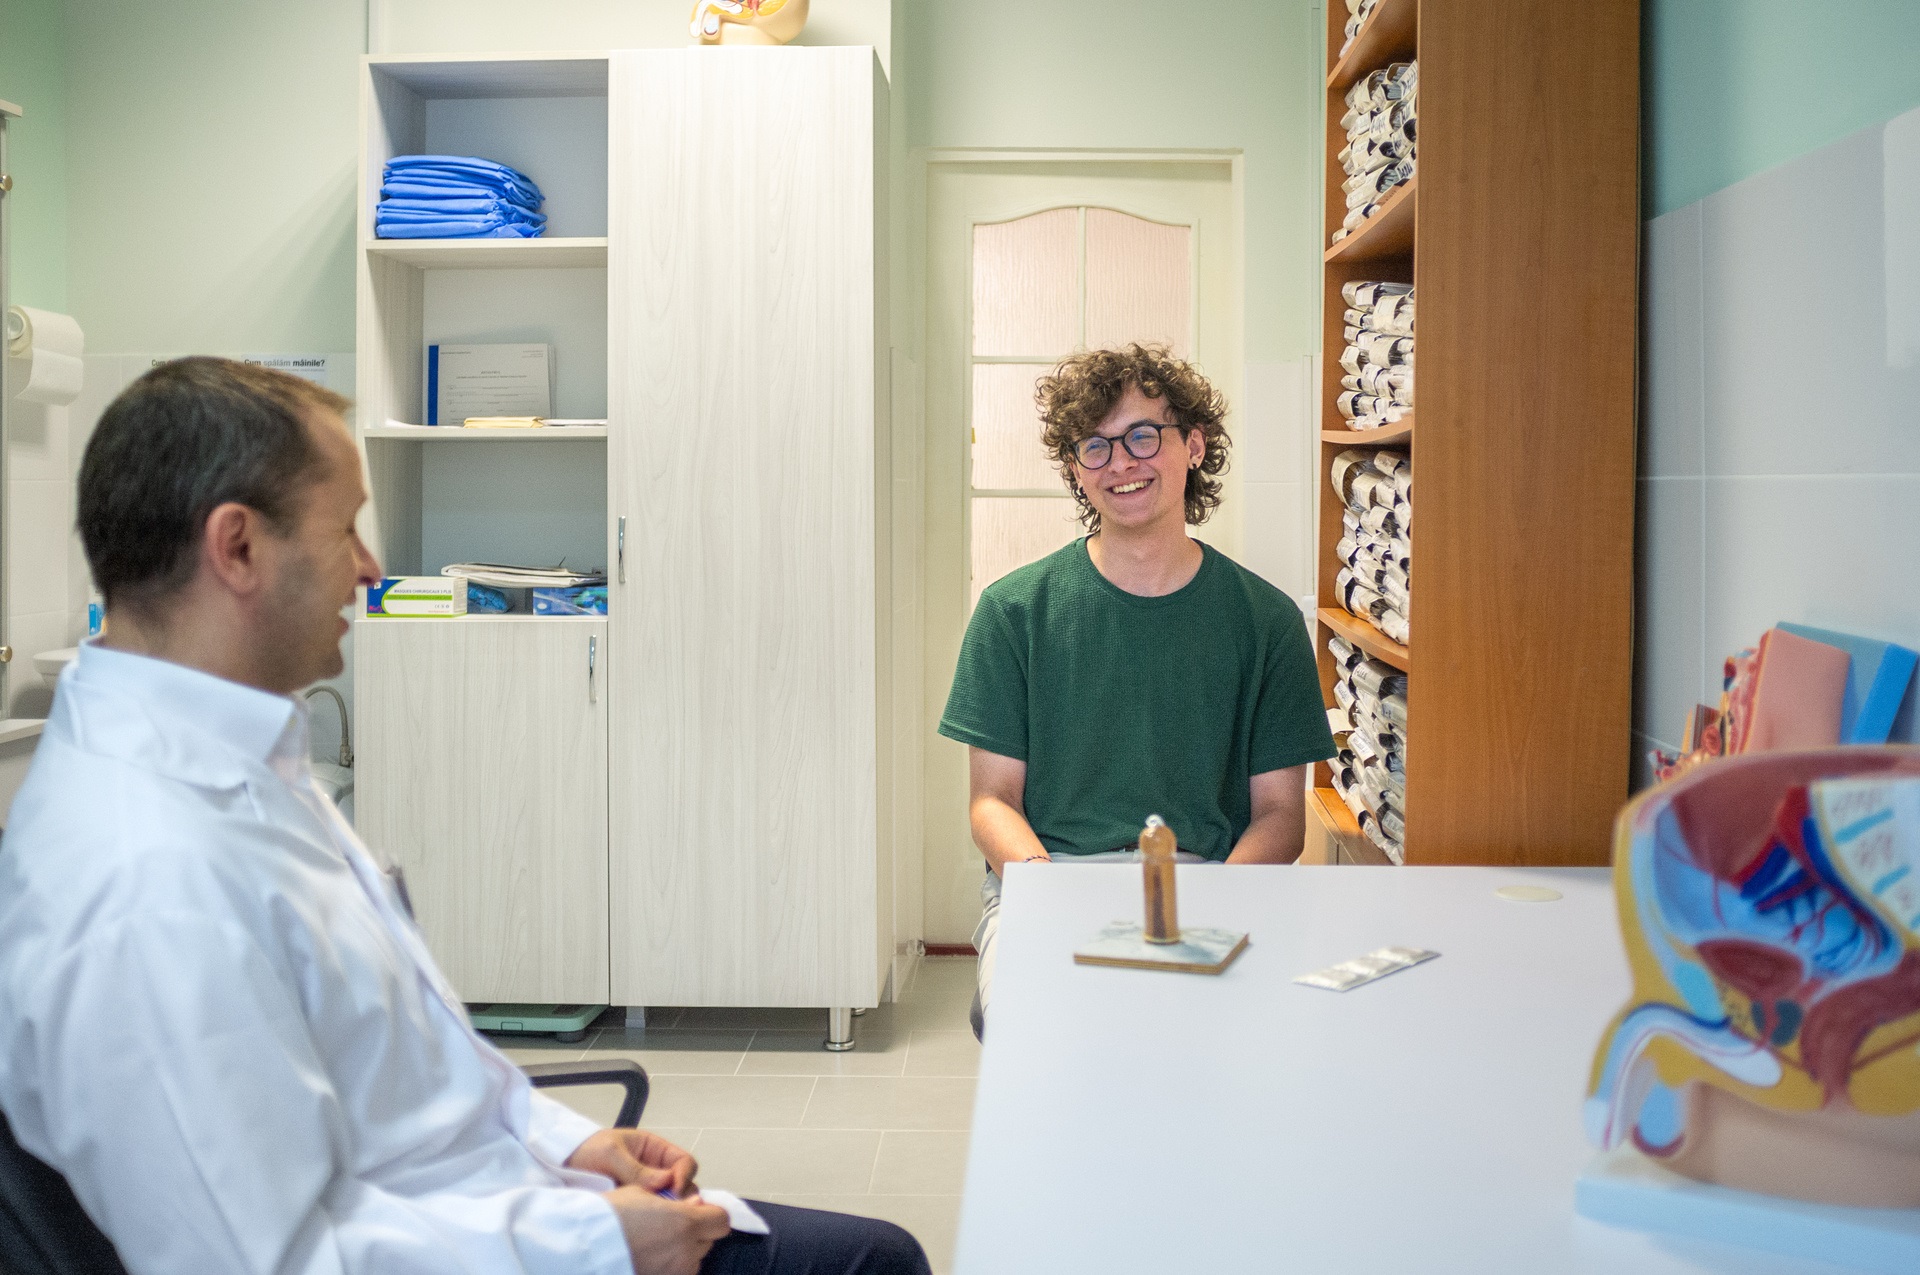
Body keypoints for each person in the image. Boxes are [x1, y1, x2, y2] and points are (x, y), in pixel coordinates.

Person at [0, 358, 928, 1275]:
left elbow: (410, 1059)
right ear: (237, 547)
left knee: (869, 1255)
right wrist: (593, 1246)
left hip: (496, 1203)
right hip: (490, 1244)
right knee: (869, 1266)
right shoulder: (139, 879)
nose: (368, 568)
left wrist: (561, 1140)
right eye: (345, 528)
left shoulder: (234, 760)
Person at [939, 345, 1336, 1039]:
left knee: (1226, 1054)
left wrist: (1201, 909)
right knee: (1045, 1048)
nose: (1120, 462)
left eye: (1143, 435)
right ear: (1074, 468)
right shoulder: (1013, 612)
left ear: (1195, 445)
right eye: (1094, 446)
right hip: (1050, 876)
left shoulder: (1267, 623)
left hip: (1213, 881)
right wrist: (1052, 893)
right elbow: (990, 801)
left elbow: (1280, 817)